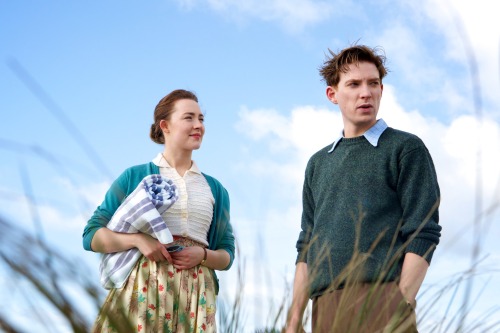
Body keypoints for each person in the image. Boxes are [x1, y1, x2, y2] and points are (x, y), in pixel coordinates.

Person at [285, 45, 442, 332]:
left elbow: (424, 230)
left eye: (372, 83)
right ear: (333, 94)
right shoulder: (318, 164)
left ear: (382, 89)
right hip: (325, 307)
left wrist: (399, 300)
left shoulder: (405, 149)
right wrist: (293, 321)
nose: (365, 92)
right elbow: (307, 246)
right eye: (354, 84)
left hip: (382, 302)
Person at [82, 89, 235, 333]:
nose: (198, 125)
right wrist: (138, 241)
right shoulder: (134, 176)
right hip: (143, 287)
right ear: (165, 125)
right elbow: (91, 236)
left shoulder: (215, 189)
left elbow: (227, 253)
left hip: (196, 297)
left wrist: (203, 255)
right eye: (189, 118)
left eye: (201, 119)